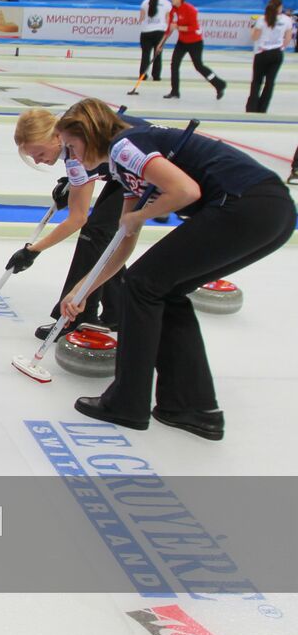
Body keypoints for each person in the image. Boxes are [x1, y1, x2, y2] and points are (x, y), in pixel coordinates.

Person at [56, 98, 294, 440]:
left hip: (246, 205)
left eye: (71, 146)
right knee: (161, 289)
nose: (71, 156)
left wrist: (139, 215)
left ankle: (127, 401)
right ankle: (192, 408)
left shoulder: (125, 145)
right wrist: (84, 287)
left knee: (141, 284)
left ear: (89, 133)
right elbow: (125, 240)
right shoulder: (125, 161)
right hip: (273, 212)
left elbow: (185, 191)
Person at [13, 107, 147, 339]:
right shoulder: (71, 138)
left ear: (57, 137)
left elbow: (77, 218)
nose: (38, 160)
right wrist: (71, 184)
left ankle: (78, 317)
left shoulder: (76, 152)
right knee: (102, 236)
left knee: (94, 233)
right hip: (126, 168)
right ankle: (118, 311)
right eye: (32, 156)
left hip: (146, 166)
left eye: (39, 152)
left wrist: (33, 250)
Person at [163, 0, 225, 100]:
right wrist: (161, 43)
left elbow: (193, 27)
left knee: (199, 66)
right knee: (174, 64)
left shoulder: (190, 9)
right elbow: (170, 28)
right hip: (182, 41)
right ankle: (175, 91)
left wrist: (177, 27)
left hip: (195, 42)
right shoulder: (173, 10)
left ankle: (219, 84)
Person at [246, 0, 292, 114]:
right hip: (276, 53)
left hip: (262, 52)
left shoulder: (262, 19)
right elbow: (288, 37)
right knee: (270, 82)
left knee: (256, 81)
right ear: (280, 7)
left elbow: (254, 37)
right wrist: (281, 47)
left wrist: (252, 29)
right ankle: (263, 109)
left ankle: (252, 107)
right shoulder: (287, 20)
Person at [137, 0, 170, 84]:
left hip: (146, 31)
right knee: (158, 55)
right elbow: (167, 19)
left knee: (145, 55)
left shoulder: (146, 1)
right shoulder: (166, 3)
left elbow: (141, 18)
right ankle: (156, 76)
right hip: (159, 32)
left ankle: (143, 74)